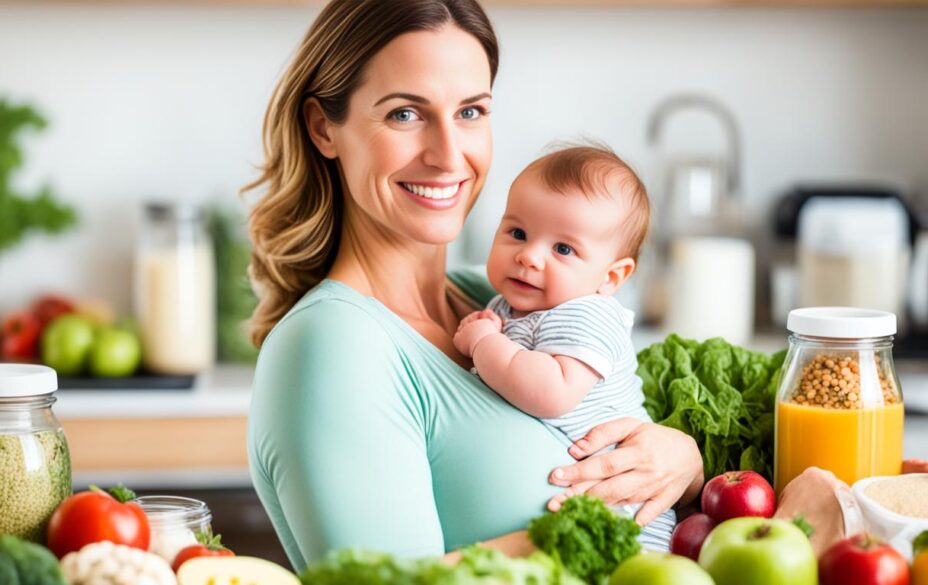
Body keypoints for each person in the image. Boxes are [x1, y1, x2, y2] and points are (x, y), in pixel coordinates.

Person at [243, 0, 909, 572]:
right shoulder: (329, 346)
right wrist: (600, 520)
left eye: (471, 111)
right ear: (323, 126)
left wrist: (680, 459)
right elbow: (390, 584)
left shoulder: (497, 297)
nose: (450, 153)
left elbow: (613, 411)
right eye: (404, 114)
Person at [452, 145, 675, 550]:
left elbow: (550, 392)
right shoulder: (511, 305)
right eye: (517, 233)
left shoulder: (587, 313)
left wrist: (484, 343)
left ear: (611, 277)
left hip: (628, 515)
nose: (529, 256)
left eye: (563, 249)